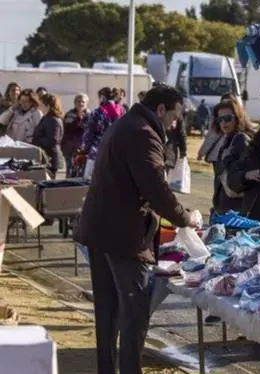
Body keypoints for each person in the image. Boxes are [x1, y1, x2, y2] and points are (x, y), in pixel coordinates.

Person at [74, 85, 198, 374]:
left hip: (101, 230)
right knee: (133, 313)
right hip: (124, 236)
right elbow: (155, 188)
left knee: (107, 313)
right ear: (161, 110)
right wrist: (186, 218)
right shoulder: (143, 133)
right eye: (175, 115)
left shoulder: (125, 124)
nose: (176, 123)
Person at [81, 87, 126, 179]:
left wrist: (84, 149)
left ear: (102, 97)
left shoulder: (97, 112)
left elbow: (89, 134)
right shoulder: (122, 111)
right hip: (117, 152)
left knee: (90, 181)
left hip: (98, 151)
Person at [33, 94, 65, 177]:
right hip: (47, 156)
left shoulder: (52, 119)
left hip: (50, 157)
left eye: (41, 105)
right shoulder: (47, 117)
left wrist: (36, 141)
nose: (39, 107)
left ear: (47, 106)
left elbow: (53, 140)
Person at [62, 94, 90, 177]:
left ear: (87, 103)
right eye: (78, 101)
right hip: (70, 147)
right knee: (70, 170)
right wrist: (78, 119)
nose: (81, 104)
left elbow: (89, 129)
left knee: (82, 171)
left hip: (83, 148)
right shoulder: (70, 114)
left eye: (83, 102)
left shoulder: (91, 114)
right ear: (74, 103)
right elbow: (68, 127)